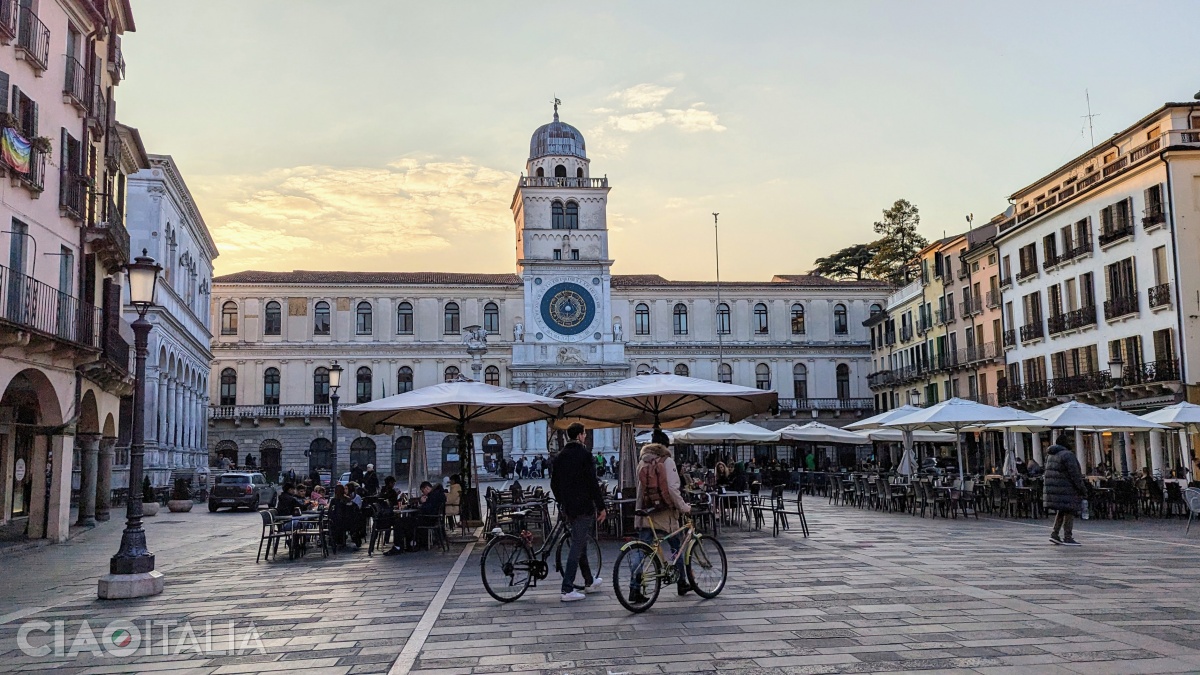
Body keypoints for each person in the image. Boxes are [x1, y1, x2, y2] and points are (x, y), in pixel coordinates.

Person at [549, 422, 606, 602]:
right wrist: (602, 506)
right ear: (580, 435)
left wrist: (562, 501)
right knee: (576, 546)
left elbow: (553, 485)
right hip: (583, 507)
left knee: (579, 543)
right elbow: (592, 483)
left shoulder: (559, 457)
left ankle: (589, 581)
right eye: (584, 434)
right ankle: (567, 589)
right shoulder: (585, 455)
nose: (586, 437)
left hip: (569, 509)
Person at [633, 442, 692, 599]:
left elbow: (640, 492)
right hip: (666, 514)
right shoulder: (667, 461)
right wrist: (684, 507)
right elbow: (673, 489)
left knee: (641, 550)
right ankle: (682, 582)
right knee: (676, 548)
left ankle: (634, 588)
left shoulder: (642, 463)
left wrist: (639, 516)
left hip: (648, 514)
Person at [1044, 434, 1087, 546]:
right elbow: (1075, 474)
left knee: (1062, 510)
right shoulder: (1068, 455)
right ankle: (1067, 536)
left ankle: (1055, 533)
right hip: (1067, 487)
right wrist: (1082, 489)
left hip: (1056, 488)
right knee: (1069, 511)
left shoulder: (1051, 455)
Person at [384, 481, 446, 555]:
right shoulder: (439, 494)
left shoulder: (433, 496)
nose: (423, 493)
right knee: (405, 521)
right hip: (433, 519)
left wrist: (423, 503)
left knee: (399, 522)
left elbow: (427, 509)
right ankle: (409, 544)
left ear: (426, 488)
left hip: (427, 519)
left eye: (423, 491)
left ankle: (398, 546)